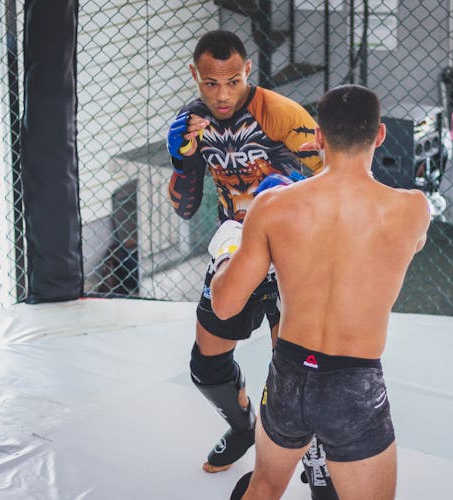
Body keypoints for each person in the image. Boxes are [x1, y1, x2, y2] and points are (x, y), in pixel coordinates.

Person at [209, 84, 431, 499]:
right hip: (354, 381)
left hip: (291, 372)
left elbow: (224, 306)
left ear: (318, 137)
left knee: (264, 487)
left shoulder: (272, 206)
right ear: (379, 135)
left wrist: (226, 251)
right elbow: (411, 244)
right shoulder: (412, 209)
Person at [165, 30, 329, 480]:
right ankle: (242, 429)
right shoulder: (193, 120)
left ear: (247, 71)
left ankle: (316, 467)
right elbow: (184, 208)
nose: (222, 94)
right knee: (206, 365)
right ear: (195, 74)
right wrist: (181, 161)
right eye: (211, 83)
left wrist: (292, 191)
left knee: (295, 376)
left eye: (233, 81)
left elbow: (338, 181)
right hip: (235, 251)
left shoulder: (281, 116)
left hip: (292, 256)